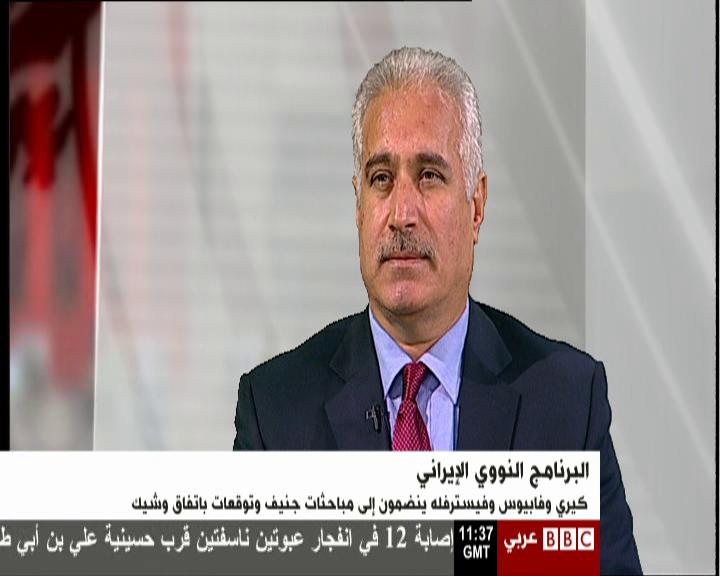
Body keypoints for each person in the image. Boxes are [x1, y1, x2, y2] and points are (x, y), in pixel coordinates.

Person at [233, 46, 641, 574]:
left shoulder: (565, 404)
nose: (402, 214)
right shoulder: (275, 414)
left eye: (429, 175)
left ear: (477, 206)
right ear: (358, 205)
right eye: (382, 179)